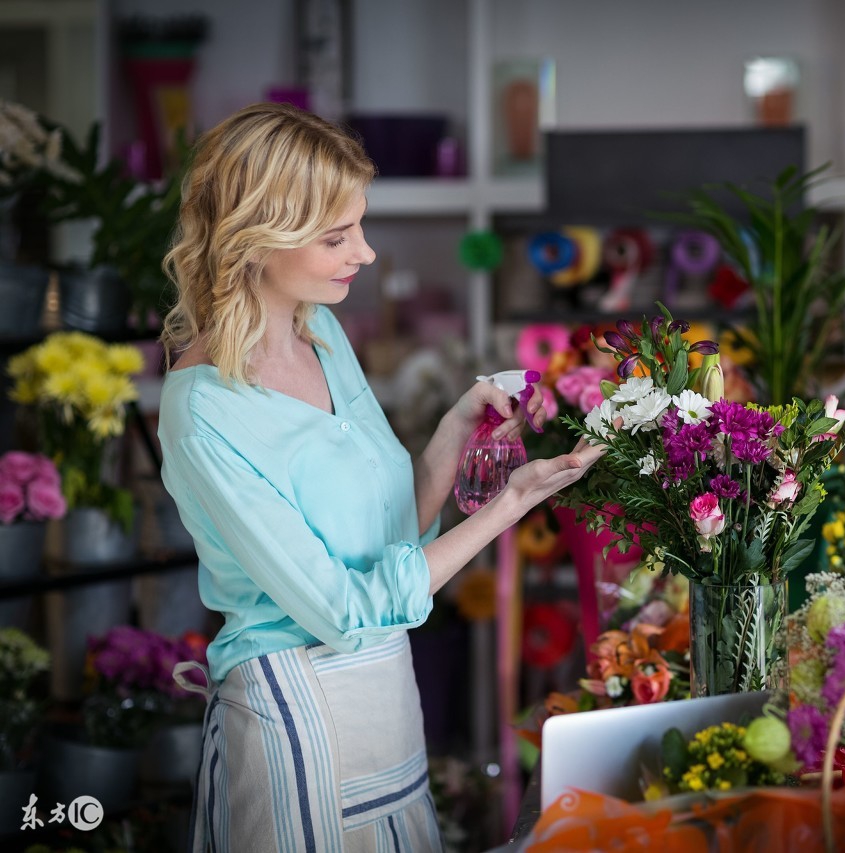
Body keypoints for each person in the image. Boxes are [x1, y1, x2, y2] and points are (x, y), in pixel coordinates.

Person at [156, 101, 602, 852]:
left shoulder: (321, 332)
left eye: (359, 225)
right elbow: (339, 606)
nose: (363, 253)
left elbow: (389, 535)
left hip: (385, 694)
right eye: (337, 236)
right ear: (256, 238)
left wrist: (452, 433)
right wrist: (508, 507)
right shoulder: (202, 408)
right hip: (292, 710)